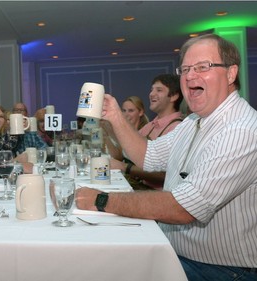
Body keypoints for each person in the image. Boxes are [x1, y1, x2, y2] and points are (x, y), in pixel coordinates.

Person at [76, 34, 257, 280]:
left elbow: (184, 208)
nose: (190, 76)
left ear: (230, 73)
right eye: (185, 69)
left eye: (203, 67)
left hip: (220, 269)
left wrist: (102, 201)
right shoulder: (194, 121)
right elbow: (148, 156)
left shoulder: (241, 130)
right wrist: (115, 116)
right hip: (177, 250)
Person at [111, 74, 184, 190]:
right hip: (140, 187)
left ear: (174, 96)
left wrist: (125, 167)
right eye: (151, 90)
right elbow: (125, 152)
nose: (151, 94)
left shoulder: (178, 128)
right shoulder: (150, 126)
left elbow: (166, 175)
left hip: (156, 195)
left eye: (159, 90)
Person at [102, 96, 148, 160]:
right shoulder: (123, 132)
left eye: (131, 111)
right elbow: (119, 156)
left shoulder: (145, 132)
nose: (126, 114)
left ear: (140, 112)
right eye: (124, 110)